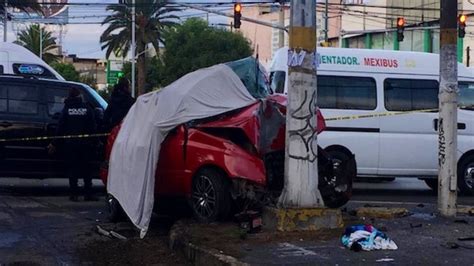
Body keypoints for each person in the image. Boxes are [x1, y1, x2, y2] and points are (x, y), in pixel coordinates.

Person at [49, 87, 97, 201]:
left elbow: (60, 127)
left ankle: (74, 194)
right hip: (85, 145)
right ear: (79, 96)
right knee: (87, 170)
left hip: (70, 144)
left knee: (73, 170)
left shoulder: (67, 109)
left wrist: (54, 143)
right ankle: (88, 194)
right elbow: (92, 127)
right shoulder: (86, 108)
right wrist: (96, 141)